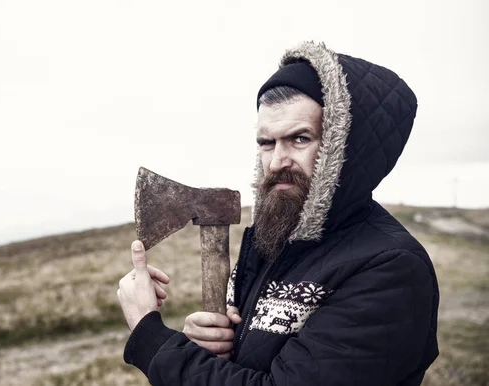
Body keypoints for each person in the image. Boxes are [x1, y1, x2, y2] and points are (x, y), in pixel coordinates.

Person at [117, 41, 439, 385]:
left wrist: (151, 336)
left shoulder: (391, 269)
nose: (277, 161)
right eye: (266, 143)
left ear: (343, 145)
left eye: (299, 139)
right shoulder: (272, 242)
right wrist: (205, 346)